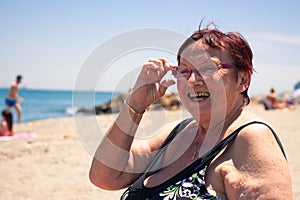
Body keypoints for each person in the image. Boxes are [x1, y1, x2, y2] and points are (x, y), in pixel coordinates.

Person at [89, 25, 292, 199]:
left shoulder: (250, 140)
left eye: (207, 68)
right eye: (184, 71)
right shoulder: (180, 132)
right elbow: (105, 176)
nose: (193, 81)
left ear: (242, 80)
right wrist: (135, 104)